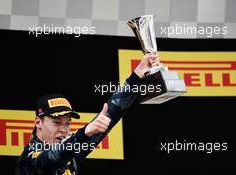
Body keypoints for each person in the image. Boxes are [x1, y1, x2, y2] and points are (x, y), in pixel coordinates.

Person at [15, 53, 161, 175]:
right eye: (56, 122)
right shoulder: (28, 158)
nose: (63, 129)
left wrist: (137, 77)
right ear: (38, 123)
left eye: (67, 123)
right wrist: (84, 133)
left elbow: (112, 111)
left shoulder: (71, 149)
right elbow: (51, 159)